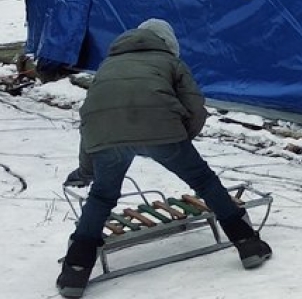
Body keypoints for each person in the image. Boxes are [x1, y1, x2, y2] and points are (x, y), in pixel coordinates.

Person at [56, 19, 272, 298]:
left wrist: (87, 170)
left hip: (107, 137)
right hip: (163, 132)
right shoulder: (170, 63)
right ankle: (247, 244)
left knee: (101, 196)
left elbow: (92, 120)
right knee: (204, 181)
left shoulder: (107, 67)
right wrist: (182, 139)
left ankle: (75, 271)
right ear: (169, 44)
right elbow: (196, 107)